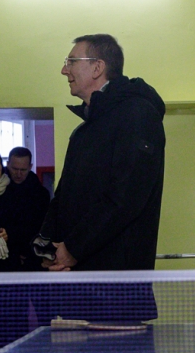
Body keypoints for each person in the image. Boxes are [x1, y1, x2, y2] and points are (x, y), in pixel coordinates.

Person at [36, 34, 165, 271]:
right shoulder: (85, 130)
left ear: (97, 67)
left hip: (116, 279)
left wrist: (73, 249)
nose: (64, 70)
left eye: (71, 61)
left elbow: (126, 197)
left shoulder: (138, 115)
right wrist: (49, 247)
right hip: (81, 273)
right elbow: (64, 196)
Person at [2, 147, 51, 269]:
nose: (18, 174)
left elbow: (42, 227)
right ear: (7, 165)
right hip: (2, 253)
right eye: (15, 169)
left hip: (32, 254)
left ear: (30, 167)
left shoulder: (40, 194)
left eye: (23, 170)